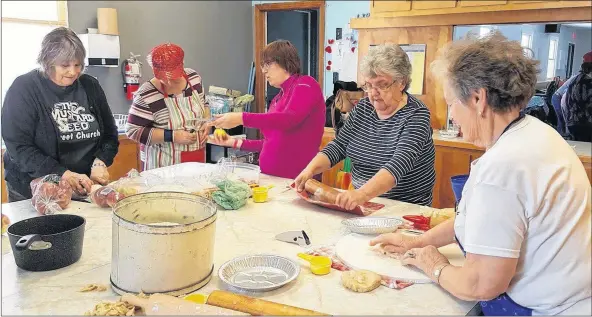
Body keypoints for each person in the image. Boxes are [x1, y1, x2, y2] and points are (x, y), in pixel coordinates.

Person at [370, 32, 591, 315]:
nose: (452, 117)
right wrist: (419, 241)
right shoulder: (535, 133)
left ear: (477, 99)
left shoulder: (504, 167)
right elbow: (477, 218)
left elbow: (481, 284)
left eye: (451, 103)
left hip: (550, 309)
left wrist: (434, 265)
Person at [294, 44, 436, 209]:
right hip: (364, 202)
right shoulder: (363, 108)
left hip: (404, 207)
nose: (373, 93)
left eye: (382, 85)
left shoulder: (416, 115)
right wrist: (309, 170)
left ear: (401, 83)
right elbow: (339, 146)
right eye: (368, 85)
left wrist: (361, 194)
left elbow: (398, 164)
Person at [1, 27, 119, 201]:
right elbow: (19, 147)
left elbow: (110, 133)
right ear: (48, 62)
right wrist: (63, 174)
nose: (73, 72)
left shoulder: (90, 85)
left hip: (82, 185)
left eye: (78, 64)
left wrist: (100, 161)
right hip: (36, 190)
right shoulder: (24, 88)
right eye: (65, 65)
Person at [210, 40, 325, 179]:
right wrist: (233, 142)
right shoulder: (277, 98)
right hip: (272, 178)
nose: (264, 70)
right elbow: (271, 142)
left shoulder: (306, 84)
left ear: (284, 63)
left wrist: (241, 118)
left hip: (299, 179)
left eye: (268, 64)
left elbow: (289, 119)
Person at [126, 43, 210, 170]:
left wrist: (206, 122)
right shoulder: (146, 94)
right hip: (164, 166)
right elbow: (132, 131)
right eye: (164, 79)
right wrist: (172, 136)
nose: (169, 83)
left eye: (174, 79)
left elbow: (204, 104)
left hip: (196, 157)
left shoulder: (194, 78)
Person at [551, 51, 592, 136]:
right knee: (562, 123)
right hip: (559, 99)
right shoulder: (584, 82)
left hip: (575, 117)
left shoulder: (579, 78)